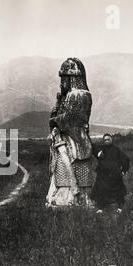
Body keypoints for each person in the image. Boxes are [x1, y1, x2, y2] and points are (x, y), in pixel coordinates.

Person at [46, 58, 93, 207]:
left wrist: (54, 121)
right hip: (63, 138)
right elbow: (57, 114)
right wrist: (58, 103)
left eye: (64, 78)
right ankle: (61, 197)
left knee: (65, 163)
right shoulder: (67, 96)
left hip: (75, 139)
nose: (61, 83)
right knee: (59, 167)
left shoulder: (80, 95)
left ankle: (73, 198)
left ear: (72, 78)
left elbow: (70, 119)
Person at [91, 134, 130, 213]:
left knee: (119, 191)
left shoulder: (116, 150)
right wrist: (98, 152)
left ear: (111, 140)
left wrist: (123, 171)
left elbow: (126, 159)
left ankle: (120, 207)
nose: (107, 141)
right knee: (100, 189)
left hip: (115, 175)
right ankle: (100, 208)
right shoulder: (101, 148)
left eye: (108, 139)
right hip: (103, 175)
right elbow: (93, 146)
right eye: (105, 140)